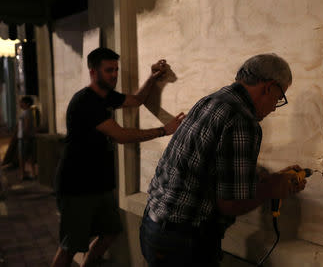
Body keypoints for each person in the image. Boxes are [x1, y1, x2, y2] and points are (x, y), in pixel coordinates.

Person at [140, 53, 307, 267]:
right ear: (269, 87)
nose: (275, 107)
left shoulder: (212, 100)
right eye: (279, 97)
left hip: (153, 227)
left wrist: (269, 178)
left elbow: (212, 163)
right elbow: (230, 205)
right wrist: (272, 189)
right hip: (183, 243)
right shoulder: (243, 120)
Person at [51, 47, 185, 267]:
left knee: (110, 232)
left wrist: (153, 78)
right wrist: (164, 130)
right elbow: (121, 135)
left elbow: (137, 100)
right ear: (93, 72)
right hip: (76, 185)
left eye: (116, 70)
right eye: (108, 70)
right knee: (70, 246)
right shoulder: (86, 101)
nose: (114, 74)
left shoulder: (105, 97)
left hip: (98, 184)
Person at [17, 96, 37, 180]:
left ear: (27, 103)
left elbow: (26, 125)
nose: (20, 104)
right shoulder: (28, 112)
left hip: (24, 137)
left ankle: (23, 174)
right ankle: (32, 173)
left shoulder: (26, 113)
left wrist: (25, 135)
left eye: (22, 102)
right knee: (30, 156)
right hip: (29, 137)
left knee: (23, 156)